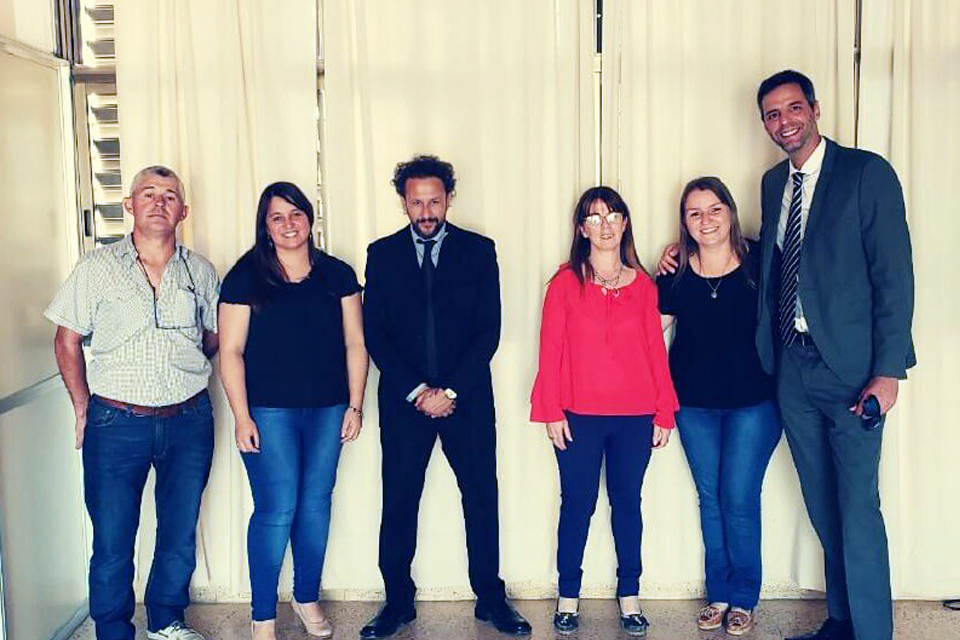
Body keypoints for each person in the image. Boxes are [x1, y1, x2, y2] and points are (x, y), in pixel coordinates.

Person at [755, 70, 914, 640]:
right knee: (823, 505)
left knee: (857, 509)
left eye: (794, 108)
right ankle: (842, 621)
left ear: (815, 109)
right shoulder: (773, 184)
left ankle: (871, 632)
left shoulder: (866, 173)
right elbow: (780, 259)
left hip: (852, 371)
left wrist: (887, 372)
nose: (785, 122)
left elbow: (894, 277)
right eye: (773, 114)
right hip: (793, 368)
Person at [360, 155, 531, 639]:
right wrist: (419, 392)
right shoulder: (382, 254)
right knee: (399, 500)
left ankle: (491, 599)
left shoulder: (479, 251)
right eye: (417, 202)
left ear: (449, 198)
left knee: (480, 497)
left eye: (434, 201)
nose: (426, 211)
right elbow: (376, 334)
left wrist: (450, 390)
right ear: (404, 202)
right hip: (405, 401)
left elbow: (488, 331)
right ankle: (397, 603)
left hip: (467, 398)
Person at [45, 166, 219, 640]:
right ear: (130, 205)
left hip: (189, 421)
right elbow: (66, 340)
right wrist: (82, 405)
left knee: (179, 531)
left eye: (169, 196)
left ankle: (166, 620)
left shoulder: (200, 271)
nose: (159, 202)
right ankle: (113, 630)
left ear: (184, 211)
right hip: (116, 422)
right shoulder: (96, 268)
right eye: (148, 194)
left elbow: (212, 337)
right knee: (113, 538)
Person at [218, 182, 368, 640]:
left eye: (296, 214)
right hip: (268, 413)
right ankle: (263, 615)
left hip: (328, 409)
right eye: (277, 217)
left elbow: (355, 342)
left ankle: (306, 597)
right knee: (276, 509)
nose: (288, 224)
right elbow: (231, 351)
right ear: (265, 226)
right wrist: (242, 416)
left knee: (316, 505)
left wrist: (356, 404)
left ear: (309, 218)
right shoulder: (245, 276)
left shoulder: (337, 274)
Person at [531, 186, 677, 636]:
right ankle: (568, 596)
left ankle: (629, 595)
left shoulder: (645, 287)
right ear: (582, 229)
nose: (605, 225)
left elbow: (655, 351)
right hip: (578, 416)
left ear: (625, 222)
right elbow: (550, 351)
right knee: (577, 504)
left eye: (612, 215)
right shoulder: (564, 284)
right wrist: (551, 410)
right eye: (594, 218)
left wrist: (664, 410)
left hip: (635, 416)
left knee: (627, 502)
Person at [656, 177, 781, 636]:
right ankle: (720, 593)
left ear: (730, 211)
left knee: (739, 499)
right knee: (710, 498)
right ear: (684, 222)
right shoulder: (673, 273)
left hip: (754, 404)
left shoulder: (760, 262)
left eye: (714, 209)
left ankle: (744, 596)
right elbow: (649, 335)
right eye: (695, 213)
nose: (706, 220)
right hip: (694, 406)